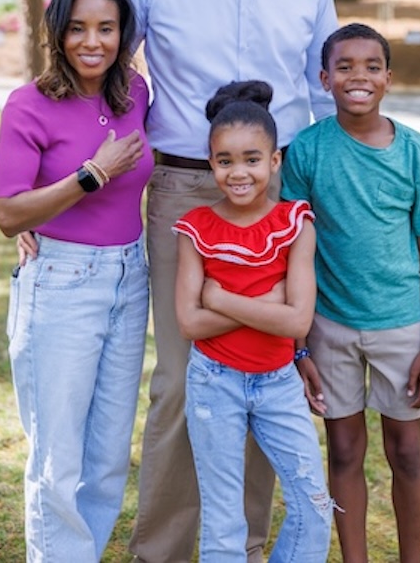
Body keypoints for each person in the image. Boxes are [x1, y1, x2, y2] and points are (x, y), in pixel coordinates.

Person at [119, 0, 339, 562]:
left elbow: (322, 88)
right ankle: (164, 552)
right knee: (186, 380)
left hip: (278, 191)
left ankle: (239, 550)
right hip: (185, 186)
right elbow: (108, 71)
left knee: (265, 368)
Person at [0, 0, 153, 562]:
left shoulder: (133, 93)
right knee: (58, 456)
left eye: (106, 28)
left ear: (122, 34)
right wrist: (91, 174)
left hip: (129, 279)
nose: (93, 41)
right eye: (78, 27)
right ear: (56, 32)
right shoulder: (28, 104)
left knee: (108, 455)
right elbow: (10, 213)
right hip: (61, 284)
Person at [281, 22, 420, 563]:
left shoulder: (415, 152)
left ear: (388, 78)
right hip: (329, 324)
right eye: (346, 66)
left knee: (406, 450)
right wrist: (300, 343)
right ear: (324, 77)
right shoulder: (306, 151)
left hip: (402, 324)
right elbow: (293, 252)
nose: (359, 77)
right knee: (345, 450)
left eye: (372, 66)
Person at [174, 80, 333, 562]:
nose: (238, 172)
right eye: (225, 160)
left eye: (251, 159)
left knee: (314, 504)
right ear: (211, 163)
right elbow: (188, 323)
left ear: (275, 161)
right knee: (224, 517)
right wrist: (270, 301)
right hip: (213, 382)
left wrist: (220, 297)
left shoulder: (295, 223)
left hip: (279, 384)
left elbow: (297, 320)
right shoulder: (196, 227)